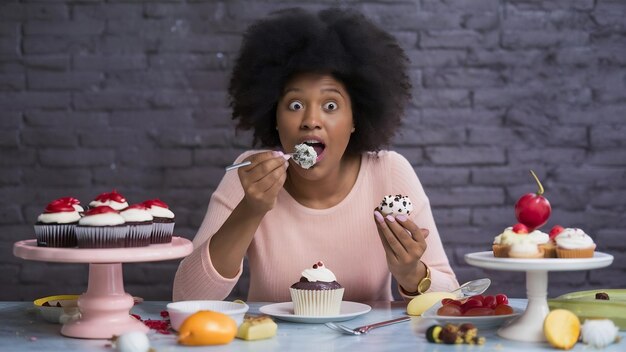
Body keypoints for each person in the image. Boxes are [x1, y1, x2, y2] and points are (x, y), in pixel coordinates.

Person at [173, 8, 459, 302]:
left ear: (355, 119)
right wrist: (251, 209)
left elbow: (453, 297)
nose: (311, 119)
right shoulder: (249, 175)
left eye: (331, 106)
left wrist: (412, 272)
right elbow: (186, 298)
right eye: (295, 105)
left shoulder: (389, 172)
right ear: (274, 116)